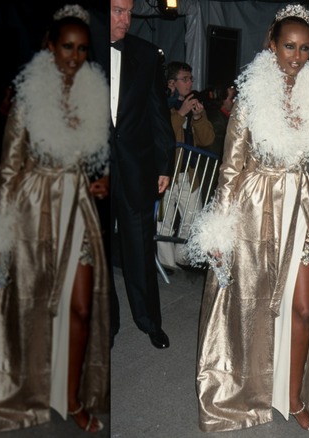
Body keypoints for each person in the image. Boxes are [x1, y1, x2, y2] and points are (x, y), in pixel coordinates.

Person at [185, 3, 309, 433]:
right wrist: (221, 226)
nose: (297, 56)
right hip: (256, 208)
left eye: (305, 48)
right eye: (289, 45)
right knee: (253, 307)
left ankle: (292, 399)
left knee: (304, 308)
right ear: (271, 45)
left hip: (301, 210)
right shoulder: (252, 97)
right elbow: (231, 168)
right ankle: (248, 392)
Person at [0, 5, 110, 432]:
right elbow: (9, 167)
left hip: (77, 206)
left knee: (81, 308)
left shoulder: (92, 92)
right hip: (33, 207)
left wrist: (101, 182)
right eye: (67, 46)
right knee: (31, 307)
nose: (75, 56)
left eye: (83, 49)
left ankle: (71, 398)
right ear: (50, 46)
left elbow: (95, 157)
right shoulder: (31, 93)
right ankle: (27, 393)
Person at [108, 0, 176, 349]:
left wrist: (164, 165)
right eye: (117, 10)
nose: (126, 19)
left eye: (129, 11)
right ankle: (106, 325)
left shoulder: (147, 54)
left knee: (139, 247)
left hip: (137, 168)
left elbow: (157, 114)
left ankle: (150, 321)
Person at [157, 61, 215, 269]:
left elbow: (208, 139)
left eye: (191, 78)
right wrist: (180, 113)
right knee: (165, 219)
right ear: (172, 82)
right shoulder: (162, 103)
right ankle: (166, 262)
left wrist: (198, 117)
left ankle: (182, 256)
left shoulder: (193, 105)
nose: (190, 83)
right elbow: (161, 134)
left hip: (188, 173)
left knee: (193, 216)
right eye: (185, 79)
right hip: (165, 172)